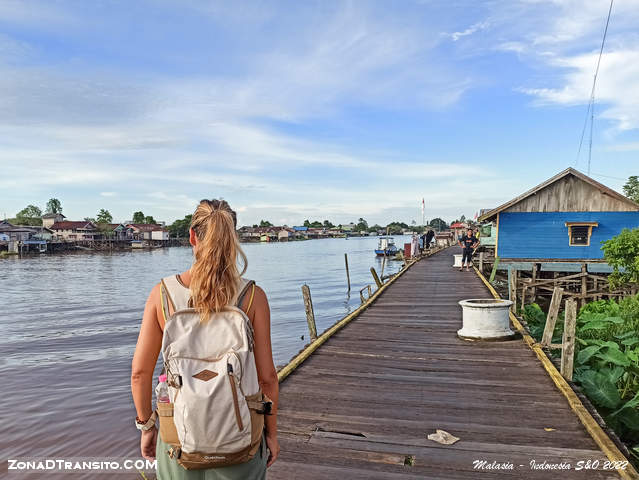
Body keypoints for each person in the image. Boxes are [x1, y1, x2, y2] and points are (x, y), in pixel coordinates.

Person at [131, 199, 280, 479]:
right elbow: (267, 378)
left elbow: (140, 373)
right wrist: (271, 433)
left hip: (179, 441)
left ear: (191, 237)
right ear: (232, 239)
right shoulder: (253, 297)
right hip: (242, 440)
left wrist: (147, 427)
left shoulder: (162, 295)